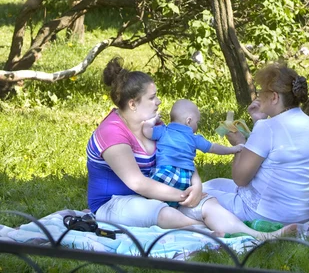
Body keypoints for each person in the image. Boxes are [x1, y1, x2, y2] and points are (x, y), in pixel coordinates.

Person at [86, 57, 297, 239]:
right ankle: (206, 231)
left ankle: (260, 236)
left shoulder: (156, 125)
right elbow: (138, 184)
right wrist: (181, 196)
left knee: (208, 202)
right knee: (156, 210)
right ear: (132, 104)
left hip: (160, 192)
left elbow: (181, 156)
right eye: (152, 98)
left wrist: (195, 186)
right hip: (115, 202)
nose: (158, 101)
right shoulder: (113, 133)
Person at [203, 63, 309, 225]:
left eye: (261, 91)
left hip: (266, 215)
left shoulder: (268, 128)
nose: (258, 95)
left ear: (274, 97)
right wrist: (258, 121)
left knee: (194, 195)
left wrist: (239, 145)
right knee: (212, 184)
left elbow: (240, 179)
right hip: (301, 215)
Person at [142, 99, 242, 206]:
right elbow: (213, 148)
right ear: (188, 121)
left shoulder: (163, 131)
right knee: (178, 203)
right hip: (185, 178)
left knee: (153, 200)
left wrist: (154, 119)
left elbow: (146, 130)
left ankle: (158, 213)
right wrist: (233, 149)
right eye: (197, 122)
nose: (197, 126)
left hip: (165, 172)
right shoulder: (194, 139)